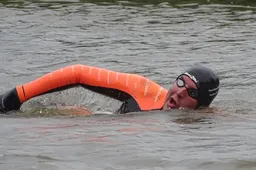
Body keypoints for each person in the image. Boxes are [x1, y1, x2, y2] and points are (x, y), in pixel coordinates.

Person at [0, 64, 219, 114]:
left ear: (200, 106)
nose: (180, 92)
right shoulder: (142, 89)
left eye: (191, 92)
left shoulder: (202, 119)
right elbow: (77, 73)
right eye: (181, 82)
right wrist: (18, 95)